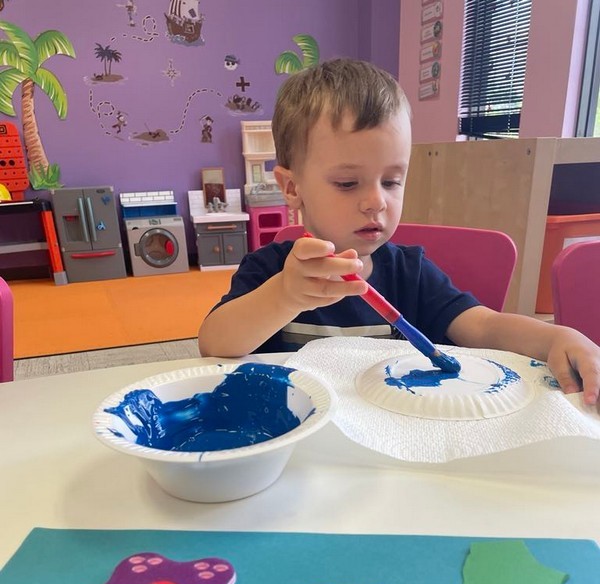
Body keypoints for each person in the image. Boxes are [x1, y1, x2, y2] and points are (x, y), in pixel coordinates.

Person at [198, 58, 600, 405]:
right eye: (347, 183)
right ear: (291, 188)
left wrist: (555, 338)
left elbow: (484, 326)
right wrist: (285, 295)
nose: (377, 201)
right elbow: (214, 344)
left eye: (391, 181)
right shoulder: (269, 270)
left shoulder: (412, 272)